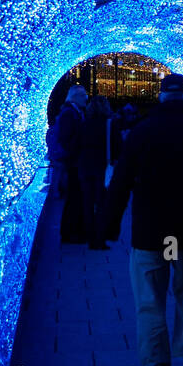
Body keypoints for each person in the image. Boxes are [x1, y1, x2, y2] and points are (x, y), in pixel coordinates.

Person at [106, 74, 183, 366]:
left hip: (151, 234)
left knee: (150, 302)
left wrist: (109, 225)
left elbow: (121, 181)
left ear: (161, 98)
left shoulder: (143, 132)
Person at [50, 85, 88, 243]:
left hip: (75, 162)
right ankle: (69, 233)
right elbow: (66, 139)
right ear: (76, 97)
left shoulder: (74, 112)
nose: (86, 98)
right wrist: (78, 150)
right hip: (73, 163)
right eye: (84, 95)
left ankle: (75, 232)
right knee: (74, 197)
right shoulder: (69, 113)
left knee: (76, 197)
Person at [78, 96, 114, 250]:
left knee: (87, 202)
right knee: (102, 204)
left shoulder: (83, 124)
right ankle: (99, 239)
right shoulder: (109, 124)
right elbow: (117, 146)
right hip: (102, 166)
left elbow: (75, 144)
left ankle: (89, 236)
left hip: (85, 166)